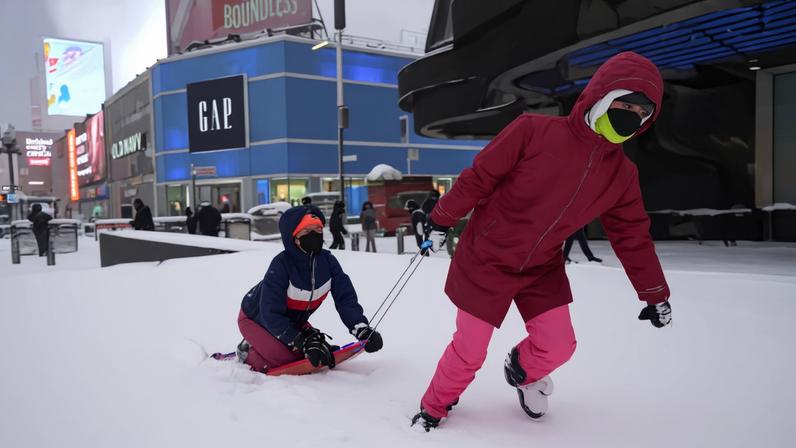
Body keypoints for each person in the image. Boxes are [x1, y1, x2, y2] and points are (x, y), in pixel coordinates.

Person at [412, 52, 672, 431]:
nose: (632, 114)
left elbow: (632, 235)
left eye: (641, 111)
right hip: (487, 257)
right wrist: (441, 219)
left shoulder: (623, 174)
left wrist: (654, 292)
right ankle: (433, 409)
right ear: (602, 95)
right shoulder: (533, 131)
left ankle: (520, 370)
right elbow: (478, 178)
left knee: (560, 344)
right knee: (469, 350)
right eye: (625, 102)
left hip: (541, 266)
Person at [236, 205, 383, 372]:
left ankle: (282, 345)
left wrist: (361, 328)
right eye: (307, 231)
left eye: (318, 229)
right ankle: (247, 350)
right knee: (286, 359)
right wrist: (299, 340)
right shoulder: (281, 265)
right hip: (255, 319)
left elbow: (345, 299)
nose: (314, 235)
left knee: (314, 352)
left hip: (293, 320)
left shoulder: (328, 263)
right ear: (294, 237)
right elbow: (269, 312)